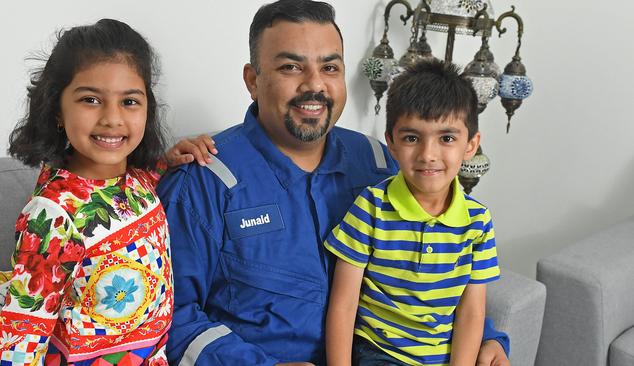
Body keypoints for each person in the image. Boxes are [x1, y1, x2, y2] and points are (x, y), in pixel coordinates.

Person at [157, 1, 511, 365]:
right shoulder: (203, 179)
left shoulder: (377, 162)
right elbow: (168, 316)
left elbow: (430, 262)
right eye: (291, 67)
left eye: (329, 67)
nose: (314, 85)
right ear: (252, 80)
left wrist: (487, 338)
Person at [0, 19, 215, 366]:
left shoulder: (135, 181)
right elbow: (22, 334)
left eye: (130, 102)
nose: (112, 118)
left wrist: (167, 162)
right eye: (91, 99)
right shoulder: (52, 214)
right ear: (57, 110)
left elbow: (123, 206)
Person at [324, 60, 498, 366]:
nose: (428, 155)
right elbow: (343, 304)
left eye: (446, 138)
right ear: (391, 142)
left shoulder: (478, 221)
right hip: (380, 353)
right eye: (412, 138)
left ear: (470, 145)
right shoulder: (371, 207)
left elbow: (472, 312)